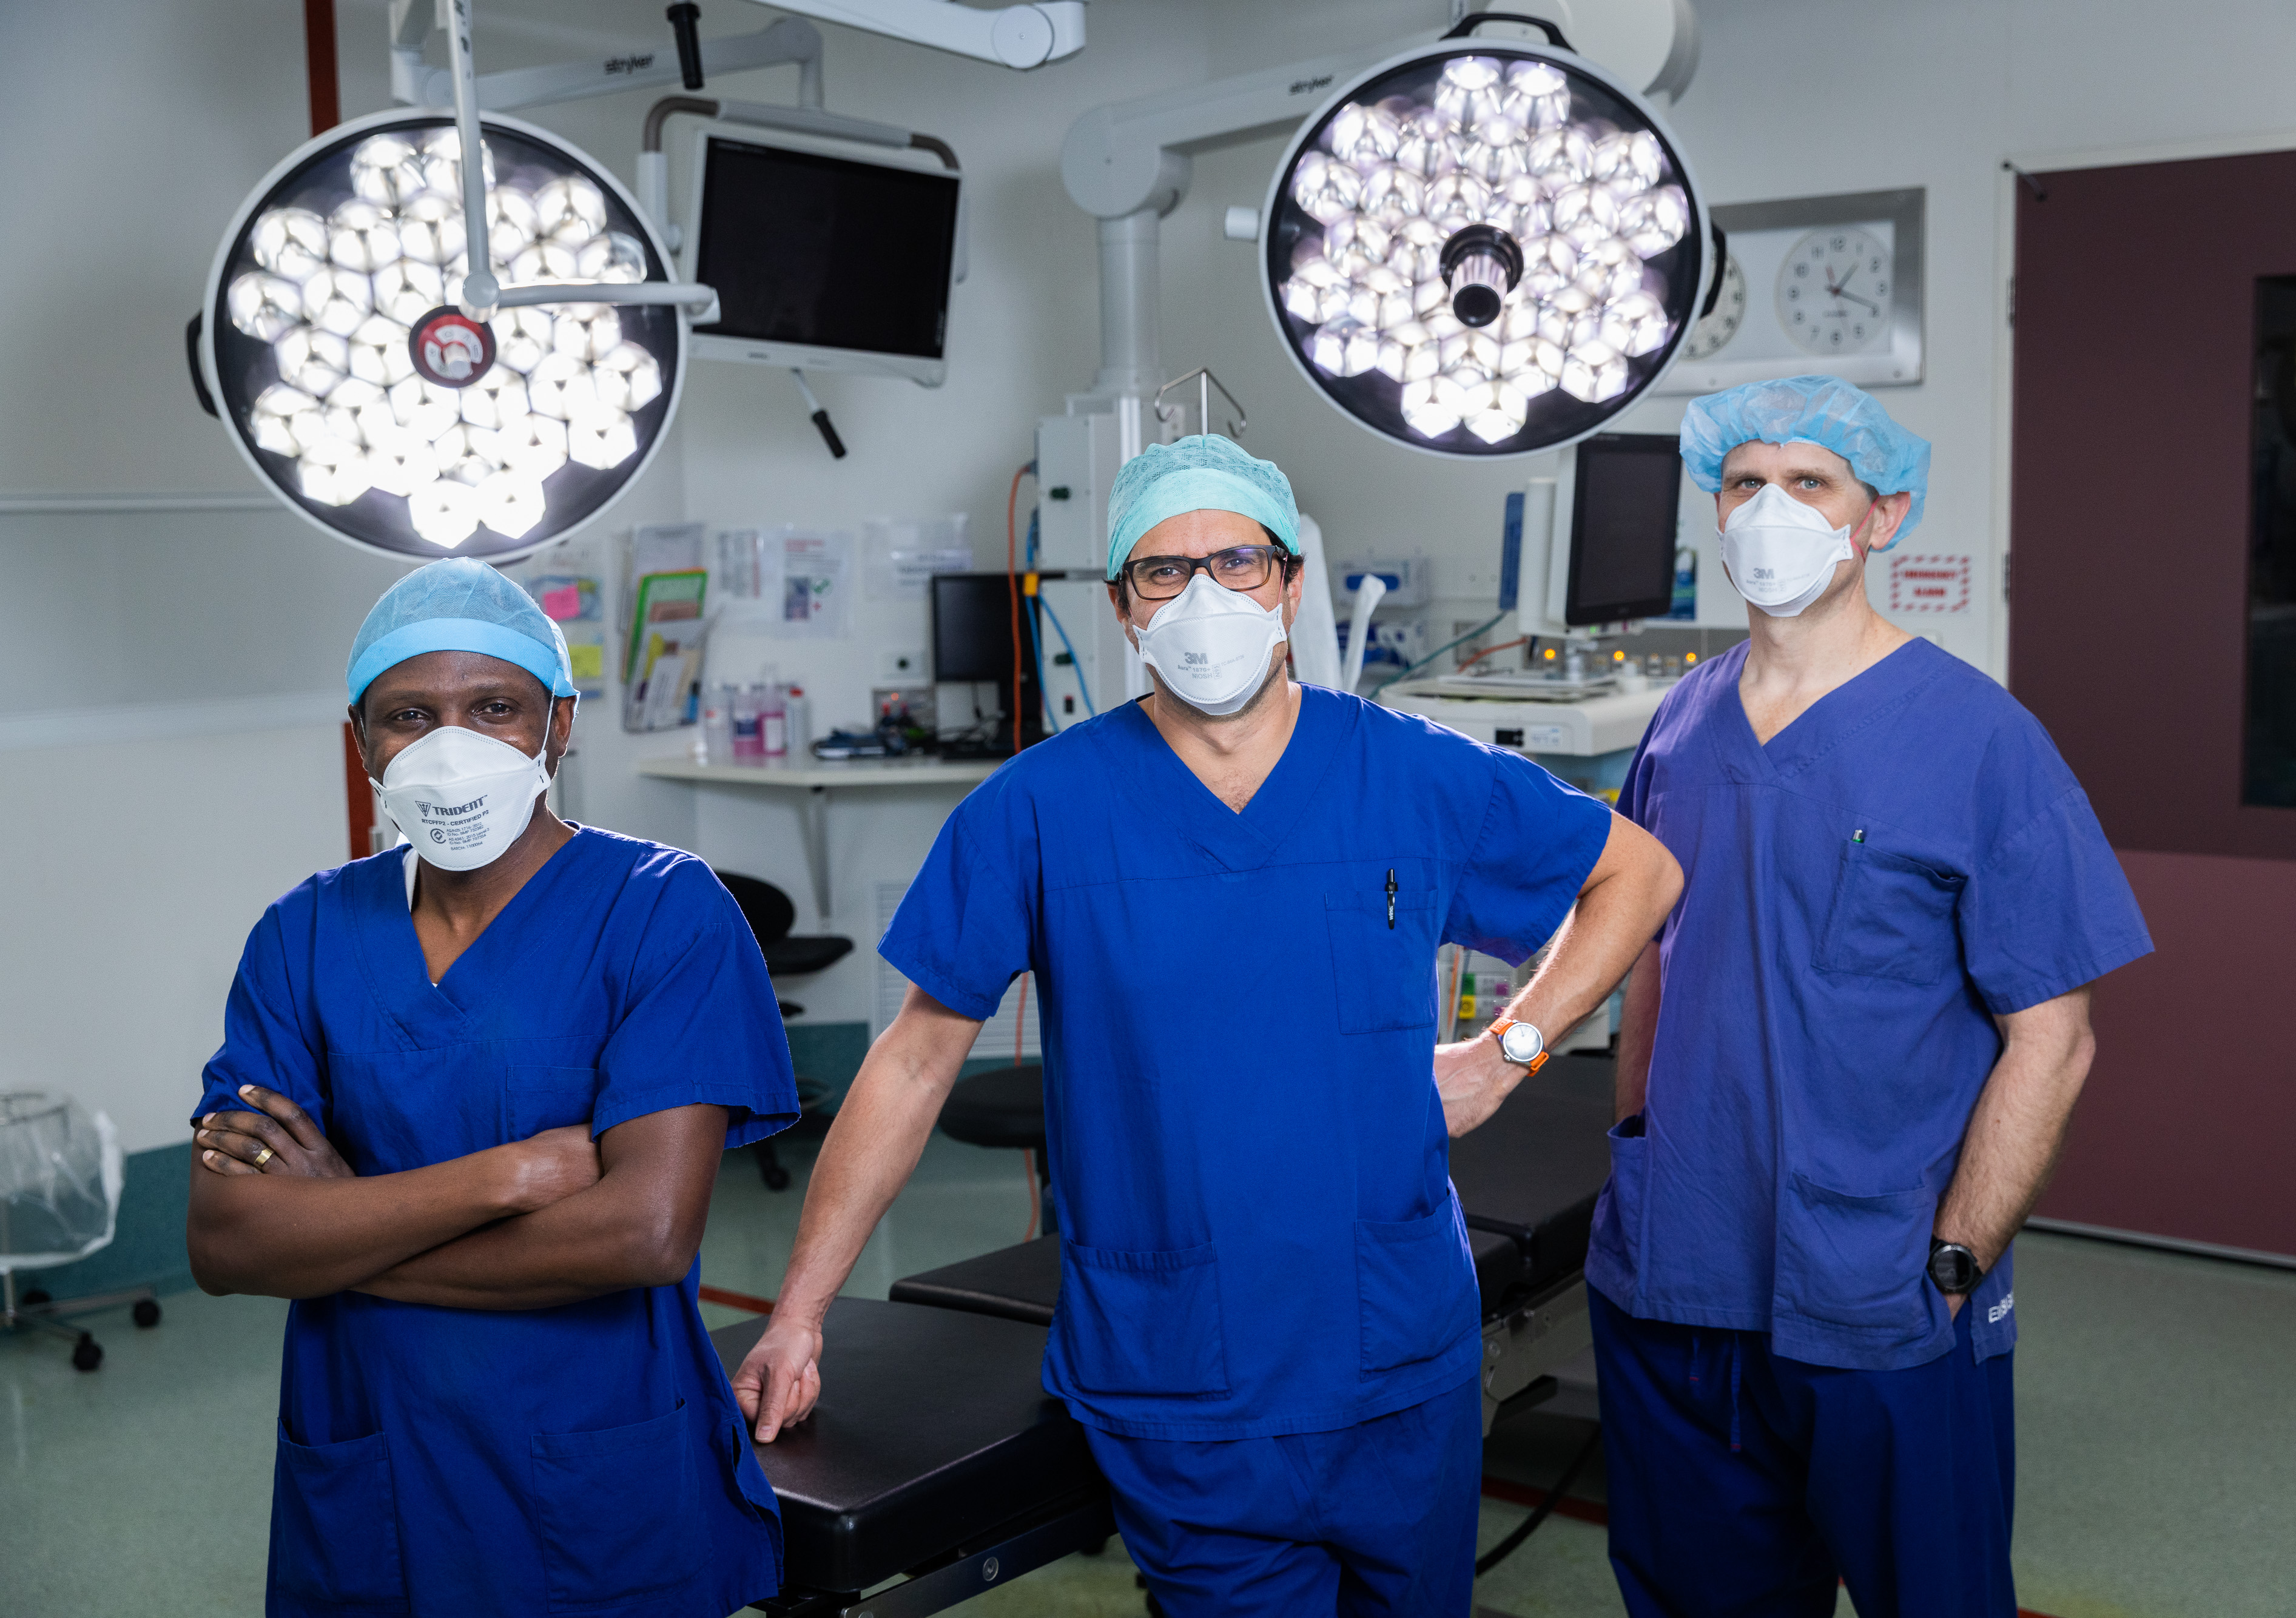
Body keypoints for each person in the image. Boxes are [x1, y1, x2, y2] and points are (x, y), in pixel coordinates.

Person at [730, 434, 1682, 1617]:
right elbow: (914, 1057)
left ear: (1288, 580)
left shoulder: (1408, 772)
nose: (1201, 598)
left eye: (1234, 561)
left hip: (1390, 1347)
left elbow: (1634, 875)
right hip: (1175, 1363)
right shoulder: (1039, 807)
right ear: (1124, 606)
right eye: (1161, 571)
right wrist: (800, 1312)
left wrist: (1508, 1054)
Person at [1587, 376, 2153, 1616]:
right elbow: (1647, 959)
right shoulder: (1678, 727)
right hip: (1676, 1280)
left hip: (1882, 1293)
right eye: (1744, 484)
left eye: (1809, 483)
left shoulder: (1977, 738)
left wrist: (1954, 1257)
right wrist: (1635, 1152)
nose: (1769, 511)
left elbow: (2049, 1039)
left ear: (1877, 516)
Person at [185, 559, 798, 1618]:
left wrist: (341, 1231)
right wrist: (511, 1174)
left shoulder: (663, 911)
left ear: (558, 726)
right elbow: (229, 1242)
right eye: (409, 715)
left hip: (589, 1447)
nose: (450, 746)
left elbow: (641, 1236)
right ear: (361, 741)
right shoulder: (306, 932)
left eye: (495, 709)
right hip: (373, 1445)